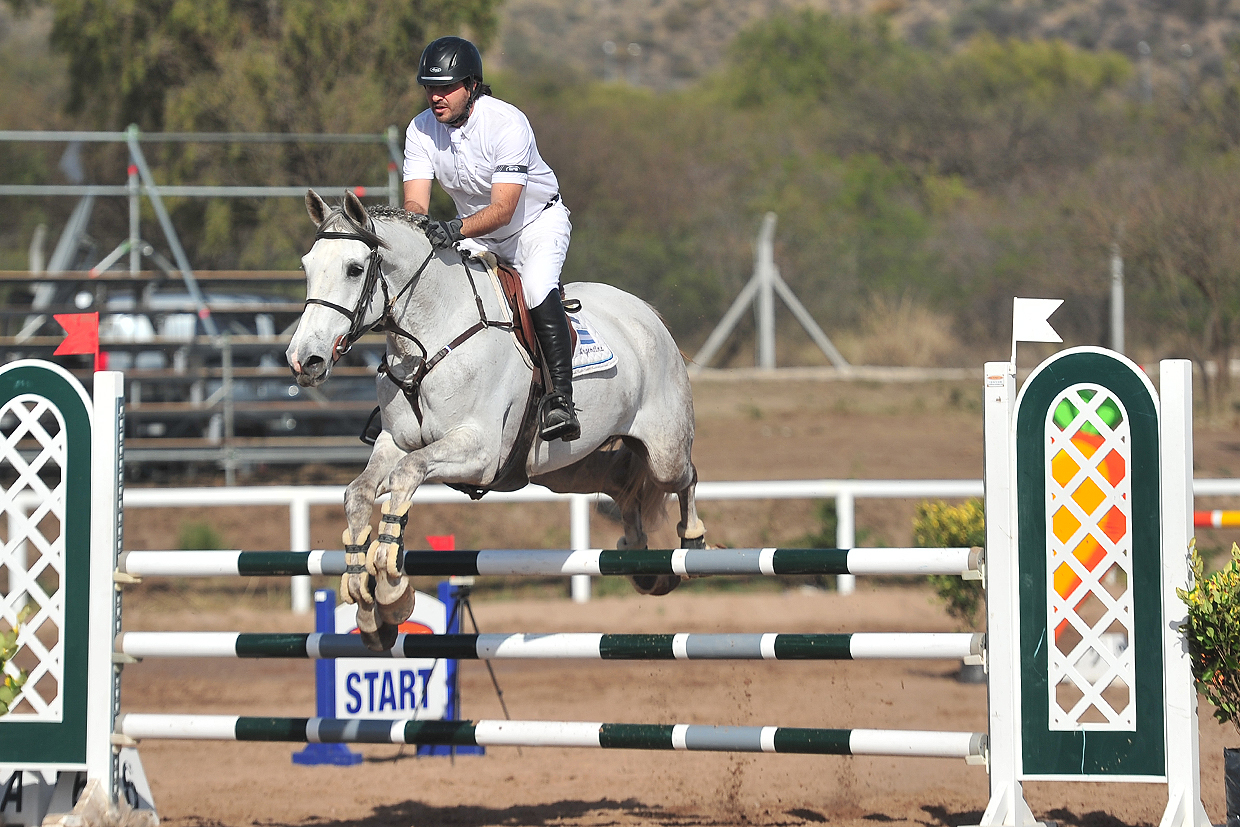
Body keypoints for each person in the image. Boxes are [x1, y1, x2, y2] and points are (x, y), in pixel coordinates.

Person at [402, 35, 580, 442]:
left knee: (535, 289)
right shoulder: (420, 129)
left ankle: (561, 401)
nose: (435, 96)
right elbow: (415, 202)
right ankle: (406, 402)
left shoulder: (507, 123)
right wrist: (417, 229)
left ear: (473, 85)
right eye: (430, 87)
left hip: (533, 226)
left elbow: (503, 208)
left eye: (446, 87)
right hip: (475, 234)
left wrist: (452, 230)